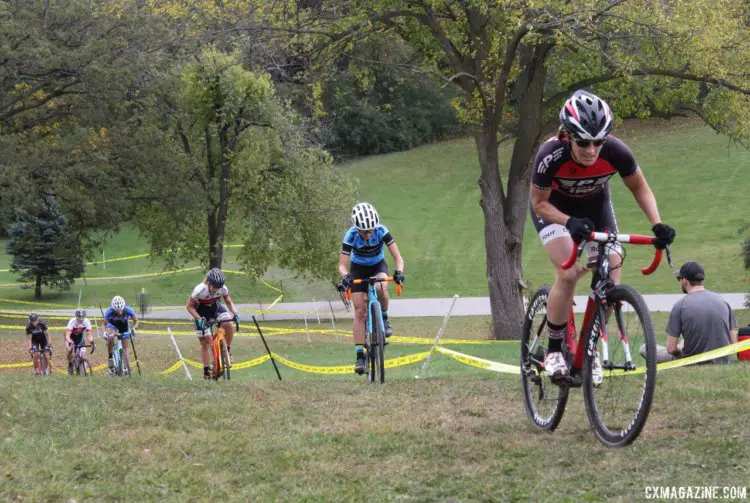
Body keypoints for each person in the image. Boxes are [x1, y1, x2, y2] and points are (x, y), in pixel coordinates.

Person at [529, 89, 676, 383]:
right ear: (567, 136)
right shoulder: (550, 155)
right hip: (554, 209)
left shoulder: (616, 151)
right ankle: (555, 350)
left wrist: (657, 224)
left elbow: (639, 187)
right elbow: (539, 204)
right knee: (568, 273)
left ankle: (590, 349)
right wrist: (568, 222)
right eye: (584, 142)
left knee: (611, 272)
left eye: (599, 142)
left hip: (595, 207)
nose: (592, 150)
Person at [337, 202, 405, 376]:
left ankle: (384, 317)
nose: (368, 235)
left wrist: (399, 272)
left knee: (381, 287)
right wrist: (346, 277)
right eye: (364, 231)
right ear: (357, 228)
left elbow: (398, 257)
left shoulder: (381, 231)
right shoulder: (351, 235)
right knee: (359, 311)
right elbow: (342, 266)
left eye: (370, 231)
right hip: (358, 268)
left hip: (378, 266)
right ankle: (360, 356)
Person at [658, 261, 737, 364]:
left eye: (679, 279)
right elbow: (734, 343)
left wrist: (681, 350)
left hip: (692, 362)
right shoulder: (723, 301)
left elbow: (671, 349)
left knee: (644, 348)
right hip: (722, 361)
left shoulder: (680, 305)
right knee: (684, 341)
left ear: (685, 281)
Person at [186, 268, 239, 380]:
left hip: (215, 307)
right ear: (209, 283)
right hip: (199, 311)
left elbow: (228, 301)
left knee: (228, 324)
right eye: (214, 287)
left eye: (219, 287)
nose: (216, 290)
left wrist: (235, 313)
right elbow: (189, 307)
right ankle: (206, 370)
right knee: (205, 341)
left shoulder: (222, 288)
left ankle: (227, 351)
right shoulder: (199, 290)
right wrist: (199, 319)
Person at [103, 295, 139, 375]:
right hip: (113, 325)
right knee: (111, 338)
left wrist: (134, 329)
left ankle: (127, 368)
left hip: (124, 326)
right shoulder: (110, 311)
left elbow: (136, 321)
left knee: (125, 348)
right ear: (113, 308)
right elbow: (104, 324)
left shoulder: (128, 310)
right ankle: (110, 357)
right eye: (117, 310)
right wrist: (104, 332)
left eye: (121, 310)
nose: (119, 312)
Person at [65, 308, 95, 375]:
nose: (81, 318)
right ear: (76, 316)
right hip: (70, 337)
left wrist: (92, 342)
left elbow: (89, 334)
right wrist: (70, 342)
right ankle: (70, 364)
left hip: (79, 338)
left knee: (82, 354)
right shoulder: (72, 321)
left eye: (82, 317)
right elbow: (67, 335)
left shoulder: (87, 321)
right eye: (79, 316)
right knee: (70, 350)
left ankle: (81, 369)